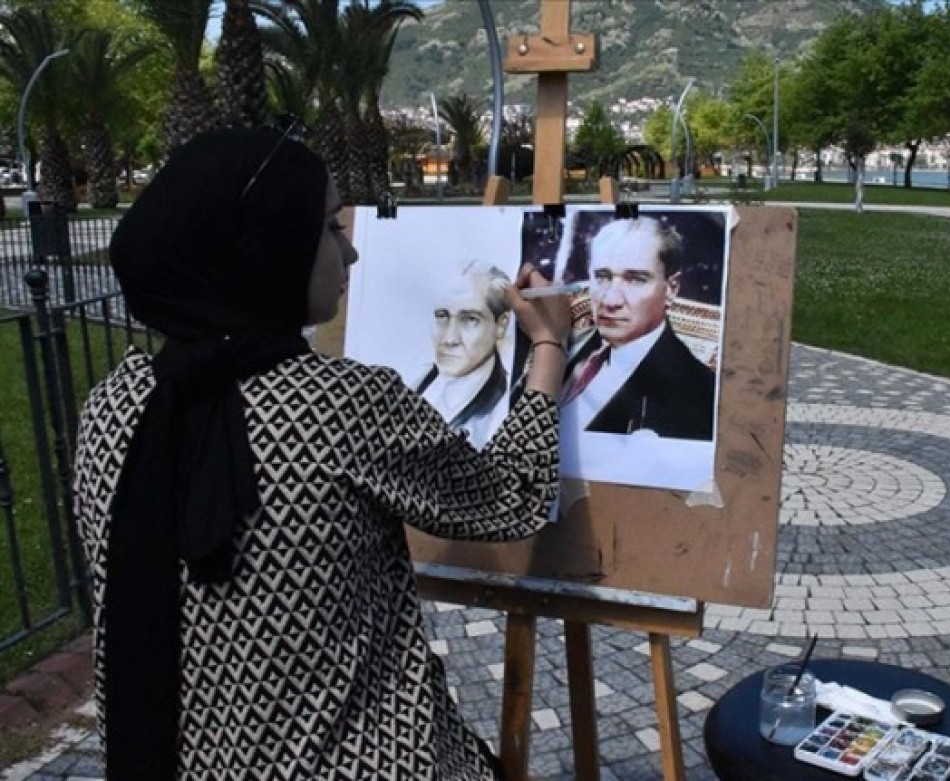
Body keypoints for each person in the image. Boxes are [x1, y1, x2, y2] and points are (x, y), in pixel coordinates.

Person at [76, 127, 570, 780]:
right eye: (331, 227)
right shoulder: (343, 405)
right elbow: (515, 494)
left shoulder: (113, 406)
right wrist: (549, 346)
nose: (351, 252)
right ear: (267, 245)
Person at [560, 216, 716, 440]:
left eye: (635, 279)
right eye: (602, 277)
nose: (610, 300)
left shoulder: (698, 396)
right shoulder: (567, 345)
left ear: (671, 289)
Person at [413, 262, 512, 445]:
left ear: (501, 325)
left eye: (470, 320)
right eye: (442, 316)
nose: (449, 339)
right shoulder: (415, 384)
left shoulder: (505, 410)